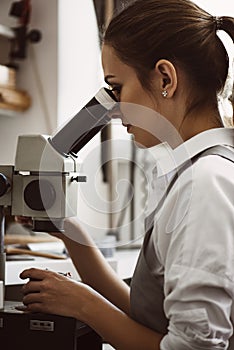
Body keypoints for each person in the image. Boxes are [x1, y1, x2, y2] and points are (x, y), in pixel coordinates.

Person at [18, 0, 234, 349]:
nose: (114, 110)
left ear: (165, 78)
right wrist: (69, 230)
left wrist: (83, 304)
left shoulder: (206, 184)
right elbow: (148, 314)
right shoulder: (200, 172)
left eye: (116, 88)